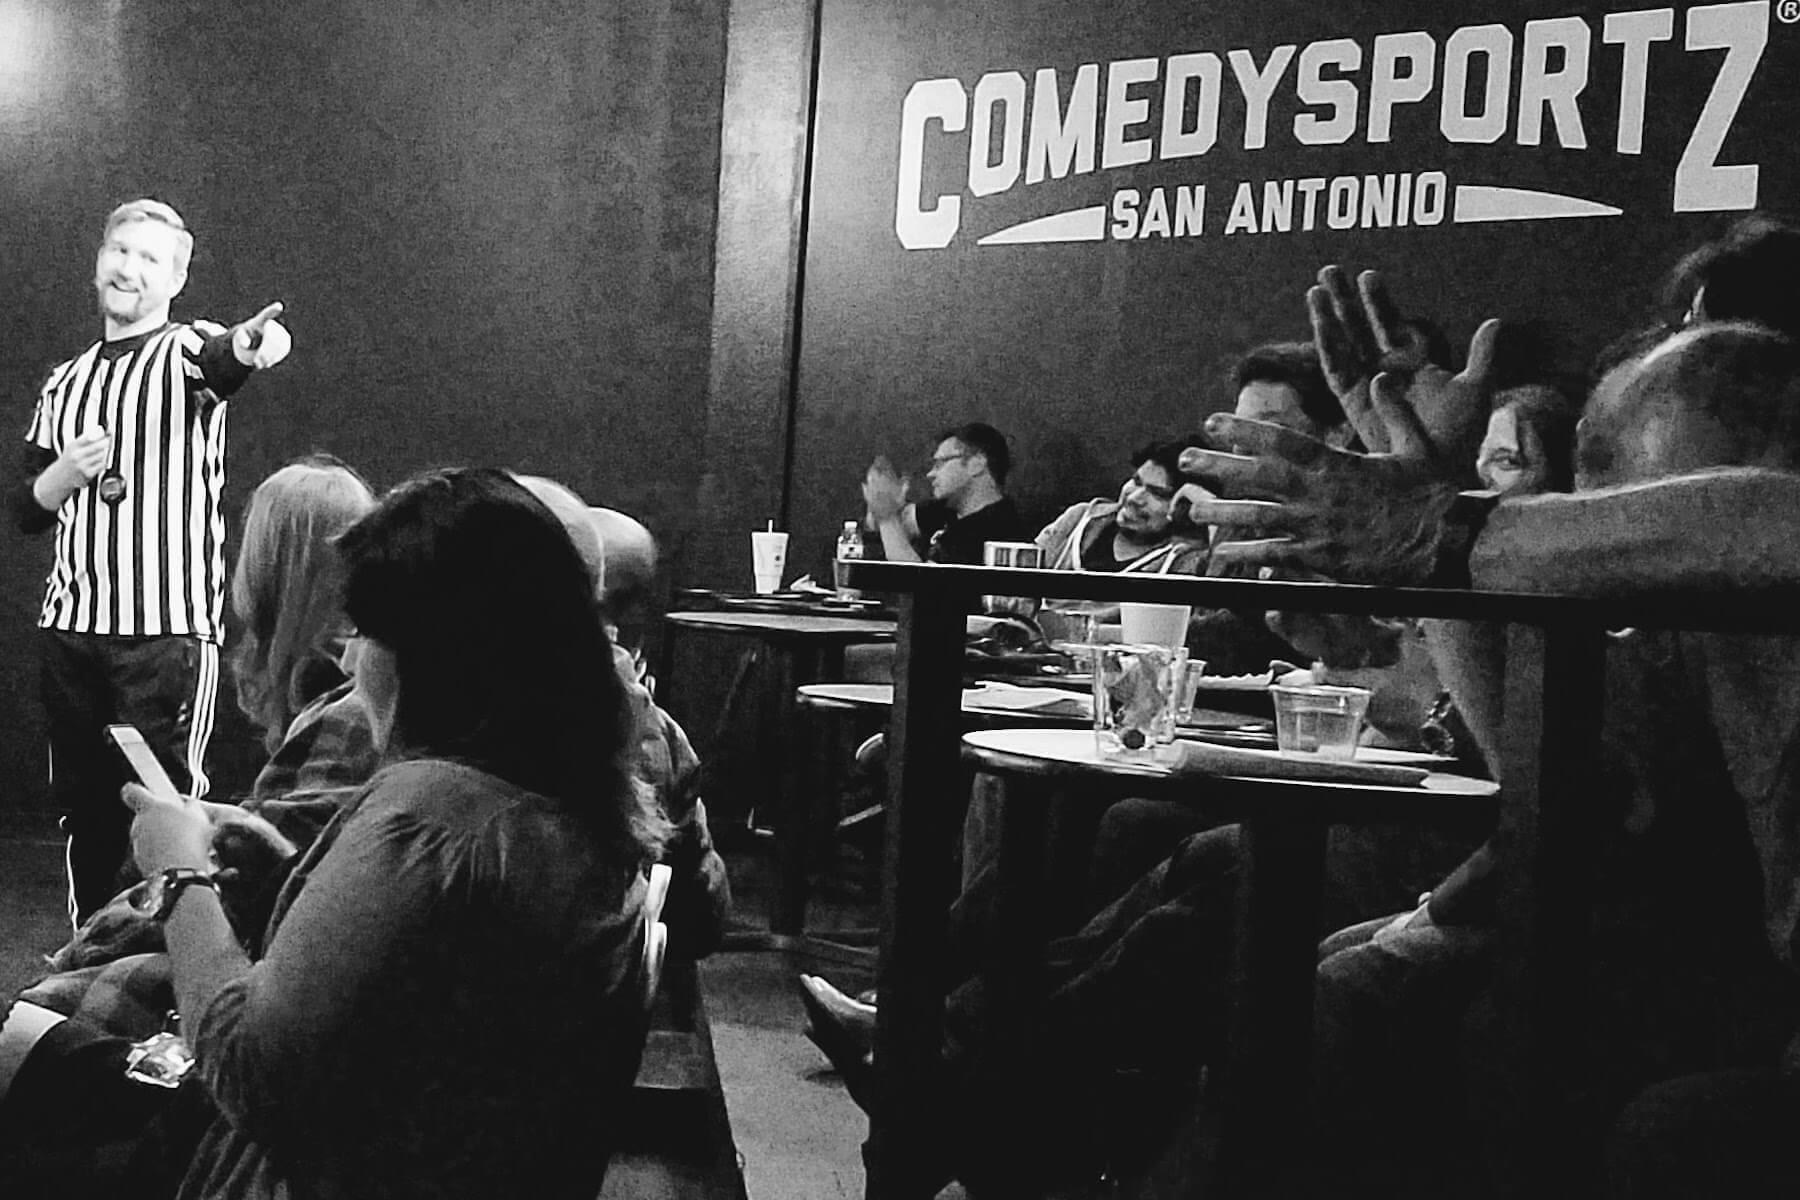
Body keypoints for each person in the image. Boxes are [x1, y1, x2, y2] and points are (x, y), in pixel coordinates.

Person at [1183, 311, 1800, 1195]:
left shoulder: (1749, 562)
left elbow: (1756, 526)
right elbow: (1562, 786)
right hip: (1679, 943)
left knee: (1648, 1116)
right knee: (1335, 984)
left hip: (1710, 965)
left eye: (1641, 499)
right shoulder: (1682, 635)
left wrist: (1446, 530)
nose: (1609, 525)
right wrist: (1430, 543)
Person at [111, 467, 668, 1199]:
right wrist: (289, 870)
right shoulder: (571, 800)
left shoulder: (429, 816)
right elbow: (430, 980)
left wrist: (179, 875)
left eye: (365, 635)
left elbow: (251, 1075)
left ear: (432, 654)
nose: (348, 661)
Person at [11, 199, 292, 926]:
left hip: (161, 633)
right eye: (120, 250)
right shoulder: (65, 381)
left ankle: (164, 960)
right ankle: (89, 948)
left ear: (175, 279)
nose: (129, 268)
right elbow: (26, 508)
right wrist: (65, 473)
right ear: (99, 260)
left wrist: (255, 344)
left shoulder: (183, 349)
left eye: (148, 258)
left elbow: (226, 358)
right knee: (84, 807)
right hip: (73, 627)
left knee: (164, 808)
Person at [861, 421, 1028, 564]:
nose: (931, 474)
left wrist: (887, 518)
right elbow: (898, 524)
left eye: (940, 463)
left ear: (977, 463)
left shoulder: (998, 530)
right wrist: (881, 505)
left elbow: (922, 584)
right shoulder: (945, 511)